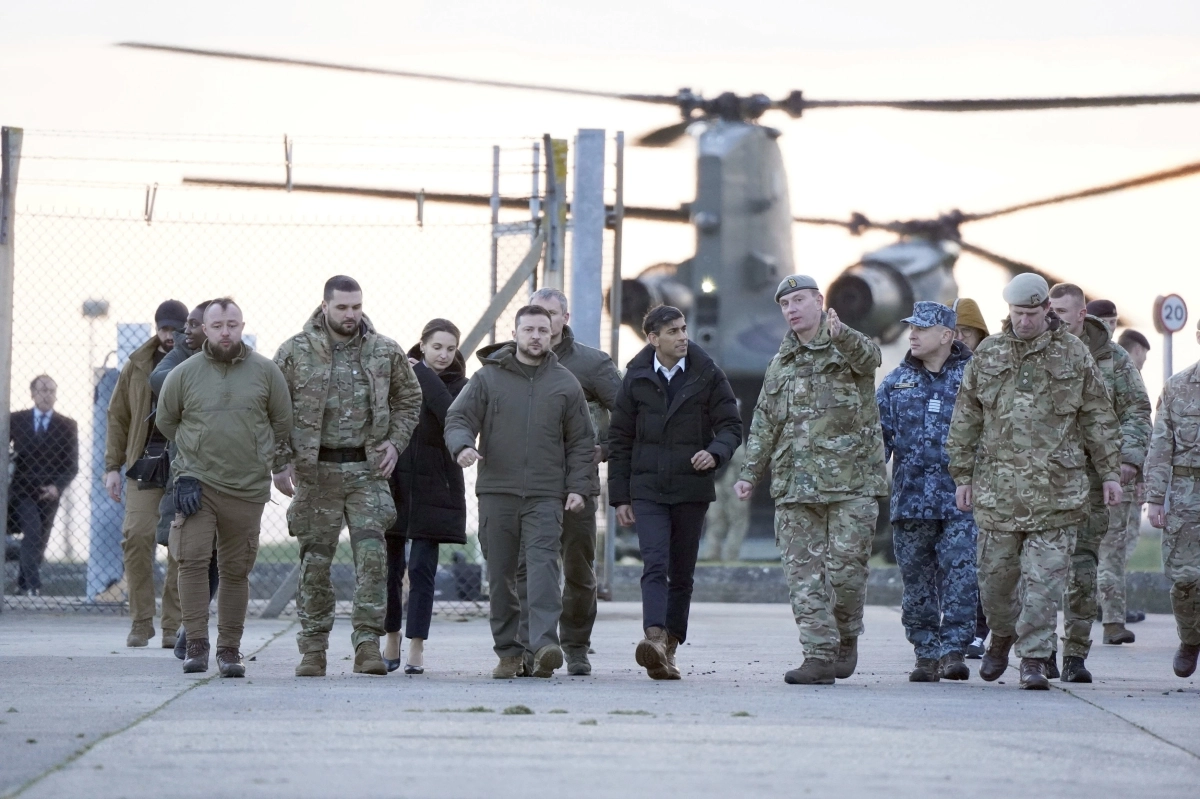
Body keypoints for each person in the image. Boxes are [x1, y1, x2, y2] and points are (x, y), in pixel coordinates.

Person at [947, 273, 1122, 690]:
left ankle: (1034, 660)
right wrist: (961, 476)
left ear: (1047, 308)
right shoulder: (987, 354)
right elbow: (966, 419)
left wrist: (1111, 472)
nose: (1024, 321)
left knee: (1044, 586)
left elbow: (1098, 416)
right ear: (1008, 311)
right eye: (1016, 313)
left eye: (1031, 313)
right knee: (995, 585)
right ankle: (1001, 635)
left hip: (1056, 494)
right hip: (996, 493)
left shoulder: (1074, 355)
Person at [734, 275, 887, 685]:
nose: (791, 309)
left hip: (851, 483)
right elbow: (765, 422)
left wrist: (842, 334)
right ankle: (818, 655)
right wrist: (750, 473)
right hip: (795, 484)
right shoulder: (780, 363)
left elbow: (871, 359)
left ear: (819, 301)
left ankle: (846, 636)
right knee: (803, 576)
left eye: (799, 300)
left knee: (846, 575)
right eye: (785, 304)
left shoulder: (847, 345)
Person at [273, 276, 423, 678]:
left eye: (356, 306)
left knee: (373, 560)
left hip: (367, 471)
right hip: (315, 472)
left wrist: (395, 442)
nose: (351, 314)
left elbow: (409, 399)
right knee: (315, 563)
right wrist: (280, 461)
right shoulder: (294, 352)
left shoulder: (384, 350)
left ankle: (367, 645)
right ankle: (313, 648)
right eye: (342, 307)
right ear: (325, 307)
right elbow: (271, 408)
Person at [444, 305, 593, 679]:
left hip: (546, 495)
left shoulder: (565, 383)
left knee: (543, 569)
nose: (537, 336)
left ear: (552, 334)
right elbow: (459, 417)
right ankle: (510, 652)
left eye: (543, 330)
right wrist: (462, 445)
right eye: (529, 330)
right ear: (516, 334)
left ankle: (543, 646)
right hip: (497, 491)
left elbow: (580, 441)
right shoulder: (488, 379)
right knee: (501, 575)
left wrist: (577, 487)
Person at [158, 298, 291, 676]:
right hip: (197, 484)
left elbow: (282, 421)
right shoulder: (183, 374)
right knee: (193, 561)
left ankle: (230, 649)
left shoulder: (266, 372)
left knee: (235, 570)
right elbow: (168, 423)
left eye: (232, 324)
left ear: (242, 325)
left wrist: (262, 455)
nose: (225, 331)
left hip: (247, 486)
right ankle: (197, 644)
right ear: (204, 328)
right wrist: (189, 464)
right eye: (217, 325)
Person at [608, 305, 742, 680]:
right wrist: (620, 497)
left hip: (690, 489)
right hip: (647, 488)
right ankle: (652, 637)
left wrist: (714, 453)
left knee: (681, 573)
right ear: (653, 338)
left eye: (684, 329)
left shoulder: (707, 374)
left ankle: (668, 647)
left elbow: (731, 425)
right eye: (673, 331)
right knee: (655, 562)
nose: (683, 336)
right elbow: (620, 439)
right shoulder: (634, 378)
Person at [1049, 284, 1151, 672]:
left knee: (1083, 568)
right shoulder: (1034, 351)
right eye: (1050, 310)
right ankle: (1039, 654)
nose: (1053, 317)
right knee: (1037, 572)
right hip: (1039, 482)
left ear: (1081, 314)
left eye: (1061, 311)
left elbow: (1138, 411)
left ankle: (1074, 654)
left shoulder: (1113, 359)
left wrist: (1127, 458)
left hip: (1092, 481)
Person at [877, 302, 978, 682]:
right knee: (917, 583)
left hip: (961, 501)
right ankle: (925, 652)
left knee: (962, 577)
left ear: (947, 335)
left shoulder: (975, 379)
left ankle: (954, 650)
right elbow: (878, 443)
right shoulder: (895, 383)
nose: (912, 334)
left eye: (922, 328)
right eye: (911, 328)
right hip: (912, 502)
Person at [523, 287, 621, 676]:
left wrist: (606, 448)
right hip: (530, 483)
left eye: (551, 313)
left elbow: (628, 413)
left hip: (577, 482)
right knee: (529, 568)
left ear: (565, 318)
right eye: (536, 313)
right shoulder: (516, 362)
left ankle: (577, 646)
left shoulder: (592, 365)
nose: (543, 321)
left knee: (578, 570)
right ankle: (535, 648)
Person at [384, 318, 469, 674]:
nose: (444, 355)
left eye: (451, 349)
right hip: (395, 482)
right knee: (390, 568)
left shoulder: (463, 384)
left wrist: (424, 376)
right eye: (437, 347)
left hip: (438, 485)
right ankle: (391, 635)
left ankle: (417, 644)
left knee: (422, 569)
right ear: (422, 345)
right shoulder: (398, 376)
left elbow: (450, 414)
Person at [104, 299, 188, 648]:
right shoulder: (136, 365)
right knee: (136, 536)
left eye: (176, 329)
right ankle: (141, 622)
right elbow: (117, 416)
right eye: (164, 328)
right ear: (156, 329)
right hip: (144, 463)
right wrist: (112, 466)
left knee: (180, 546)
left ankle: (173, 626)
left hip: (184, 466)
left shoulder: (196, 361)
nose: (170, 335)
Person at [149, 300, 220, 660]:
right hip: (189, 470)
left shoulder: (240, 361)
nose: (184, 331)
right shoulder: (180, 357)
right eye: (185, 326)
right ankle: (190, 631)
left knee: (220, 557)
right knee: (191, 554)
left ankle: (194, 630)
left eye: (192, 325)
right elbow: (158, 379)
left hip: (230, 471)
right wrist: (198, 372)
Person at [1145, 317, 1200, 678]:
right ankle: (1191, 638)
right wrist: (1154, 497)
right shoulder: (1178, 387)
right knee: (1184, 579)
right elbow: (1162, 444)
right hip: (1186, 495)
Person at [8, 375, 78, 595]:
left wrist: (57, 487)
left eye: (51, 391)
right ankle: (33, 585)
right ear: (32, 394)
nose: (47, 395)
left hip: (50, 490)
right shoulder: (15, 420)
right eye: (42, 390)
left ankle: (22, 584)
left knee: (41, 539)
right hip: (22, 489)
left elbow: (71, 464)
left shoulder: (67, 425)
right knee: (33, 530)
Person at [1103, 328, 1152, 628]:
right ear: (1136, 350)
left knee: (1115, 548)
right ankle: (1110, 612)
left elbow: (1139, 430)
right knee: (1115, 548)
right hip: (1115, 478)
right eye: (1144, 354)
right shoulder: (1122, 374)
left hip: (1125, 475)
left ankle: (1111, 609)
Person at [952, 296, 991, 658]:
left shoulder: (990, 369)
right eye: (955, 331)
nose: (960, 338)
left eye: (966, 332)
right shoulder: (941, 370)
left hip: (990, 480)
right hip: (950, 482)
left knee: (984, 562)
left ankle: (980, 630)